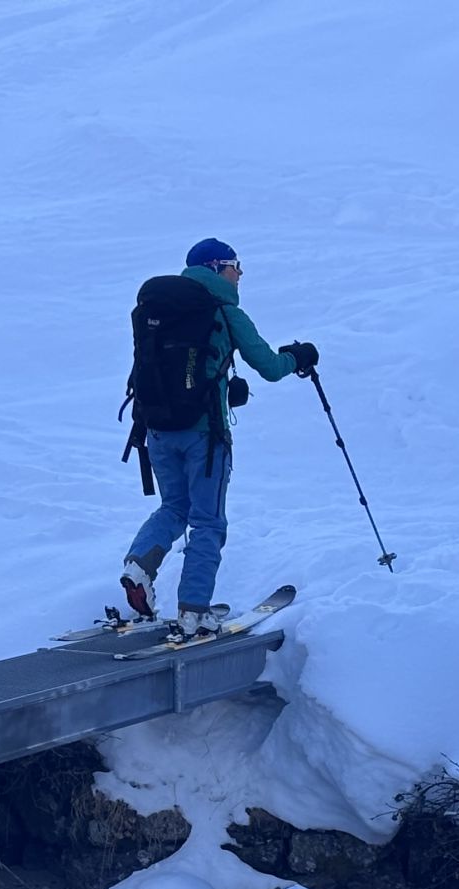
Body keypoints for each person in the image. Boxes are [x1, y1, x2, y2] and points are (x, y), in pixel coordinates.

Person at [119, 239, 316, 636]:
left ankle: (139, 564)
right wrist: (300, 357)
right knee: (208, 522)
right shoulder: (224, 311)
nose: (239, 273)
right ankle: (194, 610)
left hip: (156, 430)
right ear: (215, 267)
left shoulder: (156, 310)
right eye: (234, 264)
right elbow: (270, 366)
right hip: (204, 435)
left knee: (174, 507)